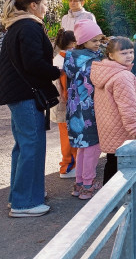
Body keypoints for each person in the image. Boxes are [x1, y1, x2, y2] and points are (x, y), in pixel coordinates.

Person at [0, 0, 61, 218]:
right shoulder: (29, 26)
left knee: (23, 146)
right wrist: (57, 71)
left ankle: (19, 196)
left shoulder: (17, 25)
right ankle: (24, 203)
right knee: (32, 145)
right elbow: (33, 63)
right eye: (44, 4)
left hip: (17, 93)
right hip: (25, 94)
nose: (46, 8)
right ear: (33, 6)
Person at [92, 37, 136, 184]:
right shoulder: (123, 76)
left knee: (112, 163)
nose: (129, 56)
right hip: (123, 129)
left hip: (108, 127)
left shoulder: (104, 72)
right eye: (124, 53)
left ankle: (107, 201)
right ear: (111, 55)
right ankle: (120, 201)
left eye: (131, 52)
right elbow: (129, 107)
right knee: (124, 168)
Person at [64, 19, 104, 200]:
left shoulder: (71, 57)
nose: (98, 44)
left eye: (100, 40)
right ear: (83, 41)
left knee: (82, 147)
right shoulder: (92, 61)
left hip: (74, 109)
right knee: (93, 147)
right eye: (94, 40)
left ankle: (79, 183)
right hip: (90, 109)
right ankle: (88, 184)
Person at [52, 29, 77, 179]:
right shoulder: (68, 59)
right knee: (71, 136)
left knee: (65, 135)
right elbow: (66, 88)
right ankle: (68, 166)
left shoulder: (57, 58)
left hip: (59, 106)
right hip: (68, 105)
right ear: (74, 43)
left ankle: (67, 165)